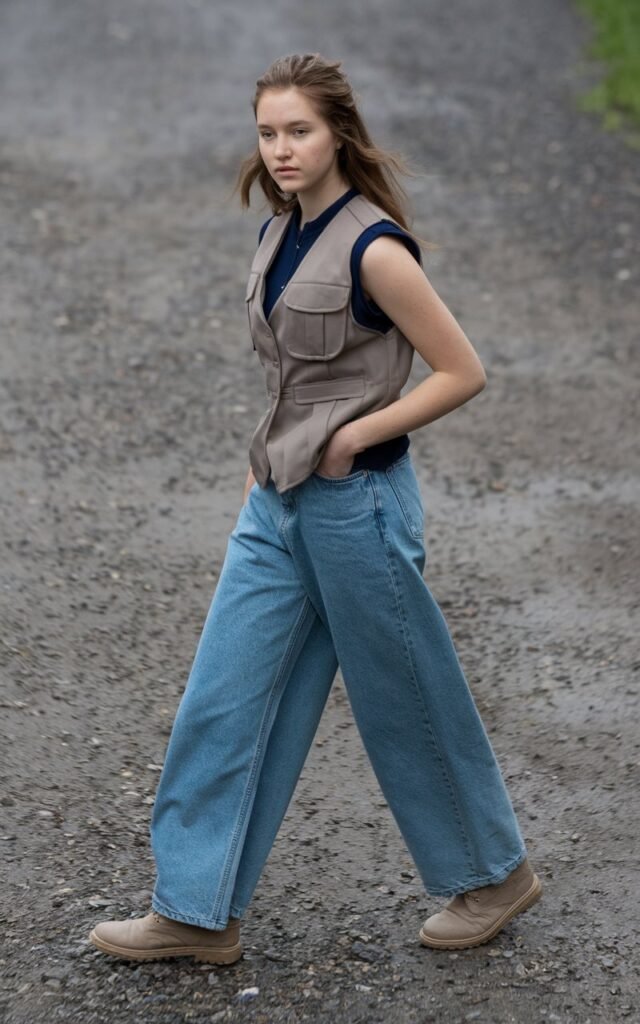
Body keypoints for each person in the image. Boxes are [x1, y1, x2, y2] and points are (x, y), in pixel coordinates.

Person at [89, 52, 541, 965]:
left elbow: (463, 372)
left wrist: (352, 439)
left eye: (299, 130)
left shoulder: (376, 249)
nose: (282, 149)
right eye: (268, 132)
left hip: (357, 503)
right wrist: (278, 454)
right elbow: (294, 374)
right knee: (223, 694)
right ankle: (195, 910)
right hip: (278, 501)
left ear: (338, 132)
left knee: (404, 697)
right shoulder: (278, 230)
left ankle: (493, 875)